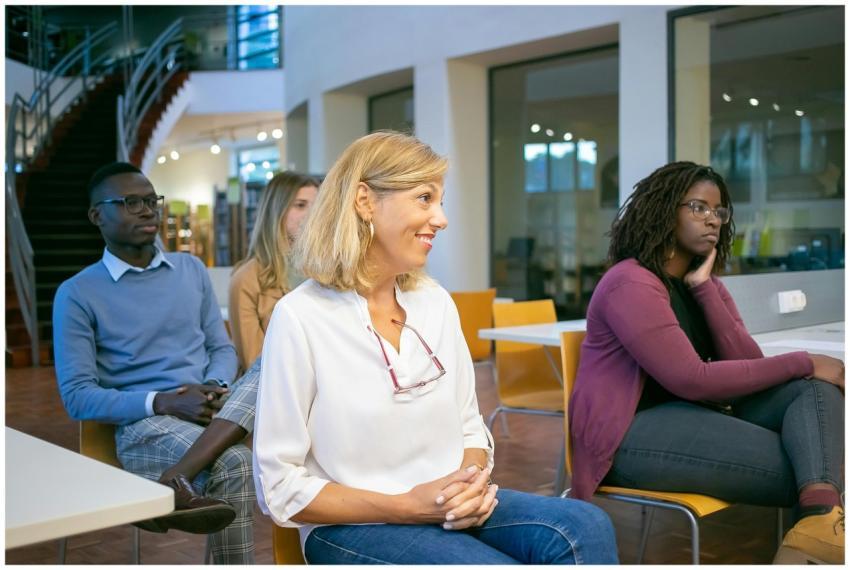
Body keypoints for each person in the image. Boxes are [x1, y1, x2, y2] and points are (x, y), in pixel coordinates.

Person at [253, 131, 618, 564]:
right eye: (425, 198)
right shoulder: (300, 316)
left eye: (440, 202)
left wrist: (468, 484)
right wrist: (407, 507)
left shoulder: (435, 303)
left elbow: (469, 425)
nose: (441, 219)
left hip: (445, 502)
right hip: (352, 526)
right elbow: (279, 486)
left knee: (586, 526)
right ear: (365, 201)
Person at [569, 161, 844, 564]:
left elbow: (747, 363)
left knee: (814, 392)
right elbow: (692, 379)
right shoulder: (630, 282)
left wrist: (703, 289)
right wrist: (803, 360)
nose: (712, 219)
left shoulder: (703, 281)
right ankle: (822, 531)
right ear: (663, 209)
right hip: (629, 436)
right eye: (698, 208)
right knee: (813, 462)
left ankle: (816, 533)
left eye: (718, 211)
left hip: (691, 414)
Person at [53, 162, 258, 564]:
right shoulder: (77, 293)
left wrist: (213, 387)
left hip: (212, 413)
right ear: (98, 215)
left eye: (151, 201)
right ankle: (178, 477)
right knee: (236, 460)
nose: (148, 211)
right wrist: (165, 401)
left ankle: (177, 477)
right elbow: (78, 398)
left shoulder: (190, 269)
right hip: (144, 429)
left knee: (272, 360)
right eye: (131, 203)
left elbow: (223, 349)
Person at [229, 171, 318, 371]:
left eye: (318, 205)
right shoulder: (246, 279)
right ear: (276, 210)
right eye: (300, 205)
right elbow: (254, 362)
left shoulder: (329, 272)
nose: (313, 214)